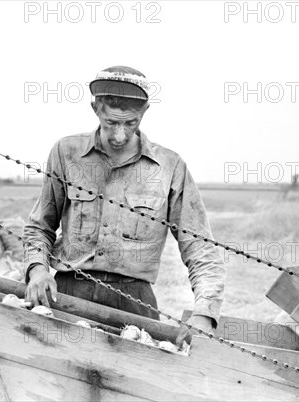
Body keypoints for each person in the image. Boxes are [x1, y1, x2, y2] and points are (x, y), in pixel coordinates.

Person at [23, 66, 226, 346]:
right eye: (111, 123)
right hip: (68, 295)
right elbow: (40, 226)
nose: (119, 136)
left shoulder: (170, 167)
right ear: (96, 109)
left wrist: (205, 312)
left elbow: (200, 247)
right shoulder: (66, 152)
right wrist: (37, 269)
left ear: (144, 113)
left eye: (130, 123)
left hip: (135, 305)